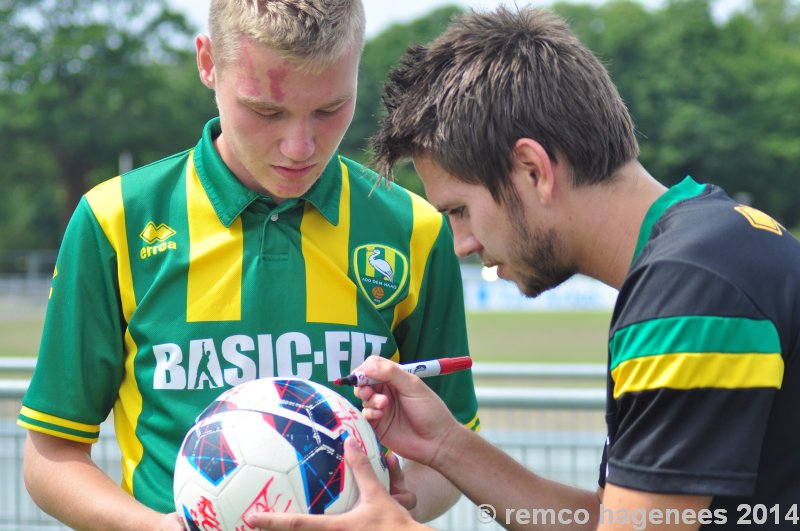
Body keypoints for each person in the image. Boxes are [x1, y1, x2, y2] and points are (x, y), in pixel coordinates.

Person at [248, 6, 800, 531]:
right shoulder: (713, 243)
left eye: (460, 211)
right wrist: (447, 446)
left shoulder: (688, 291)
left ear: (533, 169)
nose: (461, 244)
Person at [16, 1, 479, 529]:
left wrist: (396, 505)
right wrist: (158, 528)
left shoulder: (415, 228)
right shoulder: (114, 220)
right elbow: (50, 455)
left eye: (331, 109)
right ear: (208, 62)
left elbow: (453, 451)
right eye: (266, 111)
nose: (300, 147)